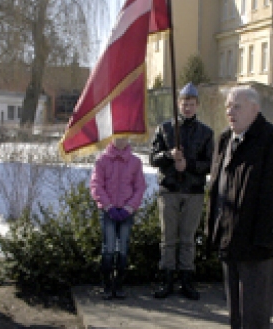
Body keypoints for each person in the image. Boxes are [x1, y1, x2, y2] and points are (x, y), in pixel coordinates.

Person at [206, 86, 273, 329]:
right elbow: (217, 187)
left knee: (255, 308)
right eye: (228, 106)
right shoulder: (225, 140)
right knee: (235, 306)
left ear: (255, 109)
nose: (230, 111)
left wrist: (266, 237)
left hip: (259, 243)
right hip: (230, 237)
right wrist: (213, 229)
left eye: (237, 106)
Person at [150, 82, 214, 300]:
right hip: (169, 189)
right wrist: (169, 155)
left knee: (188, 238)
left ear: (197, 105)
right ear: (178, 104)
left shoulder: (206, 133)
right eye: (184, 103)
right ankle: (166, 279)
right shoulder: (165, 129)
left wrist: (189, 166)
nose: (187, 107)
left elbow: (210, 163)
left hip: (194, 191)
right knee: (168, 237)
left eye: (191, 103)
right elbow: (153, 158)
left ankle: (187, 280)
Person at [90, 136, 146, 300]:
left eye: (124, 138)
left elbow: (139, 187)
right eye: (117, 138)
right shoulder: (102, 160)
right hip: (108, 212)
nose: (121, 141)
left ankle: (119, 285)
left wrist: (129, 207)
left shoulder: (135, 162)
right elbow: (96, 185)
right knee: (108, 249)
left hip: (127, 212)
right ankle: (107, 285)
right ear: (112, 138)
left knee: (123, 249)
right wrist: (108, 206)